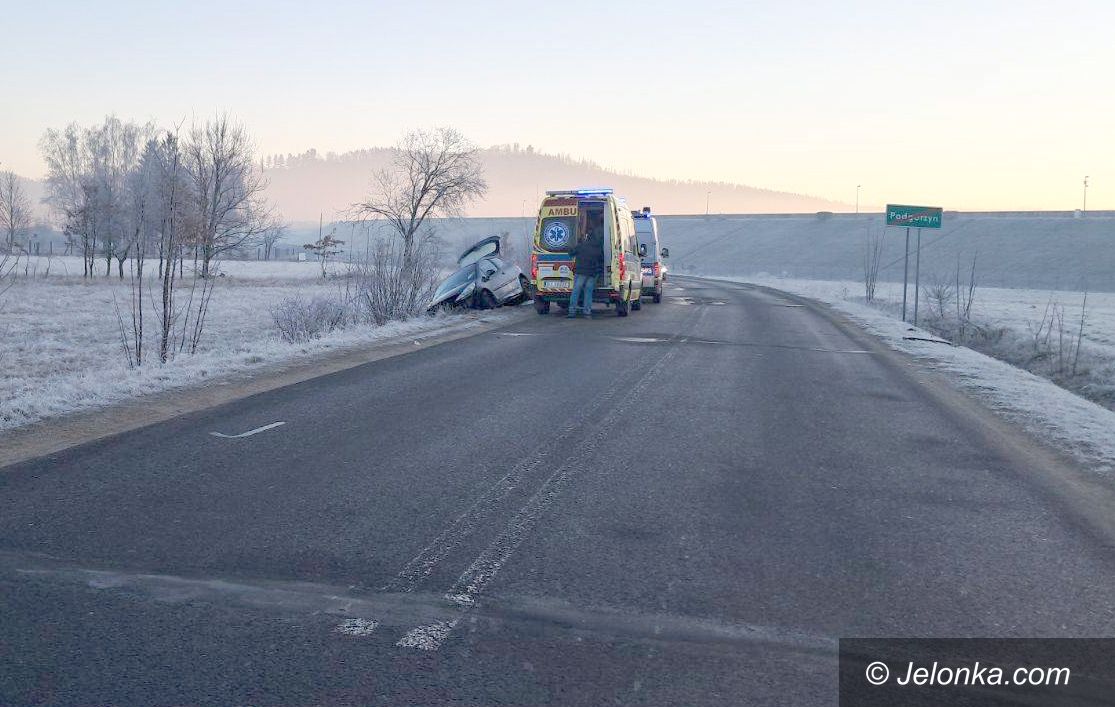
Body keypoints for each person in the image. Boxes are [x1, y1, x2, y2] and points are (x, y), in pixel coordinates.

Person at [568, 219, 605, 318]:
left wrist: (570, 246)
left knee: (576, 291)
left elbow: (571, 253)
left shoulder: (582, 245)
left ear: (587, 237)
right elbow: (601, 260)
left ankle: (572, 312)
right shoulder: (598, 248)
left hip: (581, 272)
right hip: (592, 273)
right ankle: (587, 312)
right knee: (588, 293)